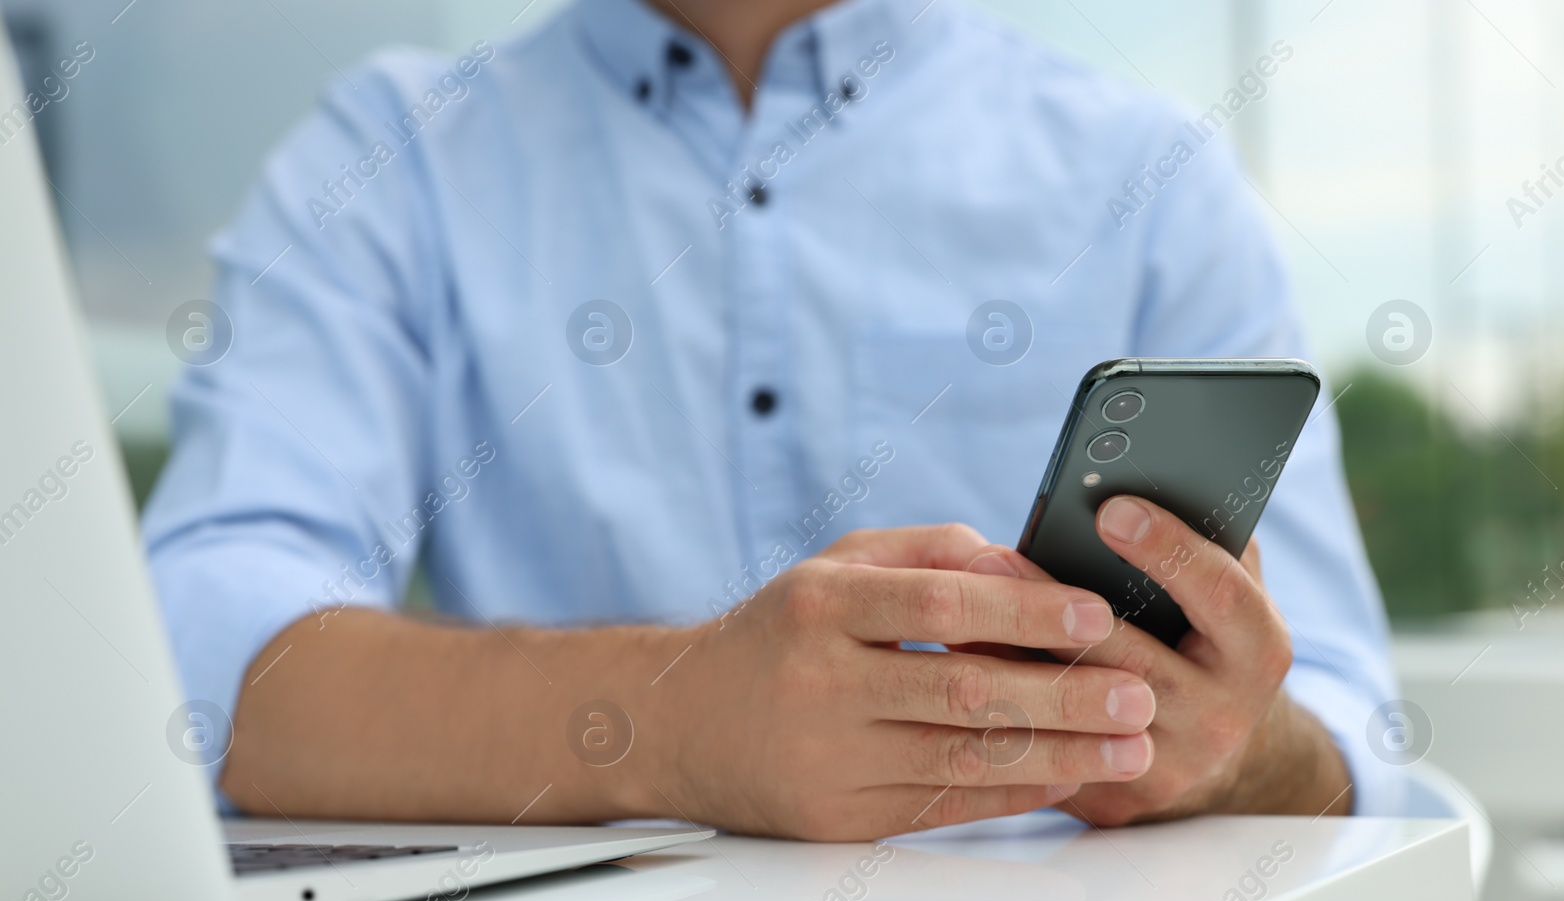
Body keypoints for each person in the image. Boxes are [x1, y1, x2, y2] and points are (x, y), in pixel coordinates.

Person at [142, 0, 1401, 841]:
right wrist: (669, 718)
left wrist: (1234, 752)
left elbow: (1348, 738)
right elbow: (195, 648)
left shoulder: (1154, 182)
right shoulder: (395, 153)